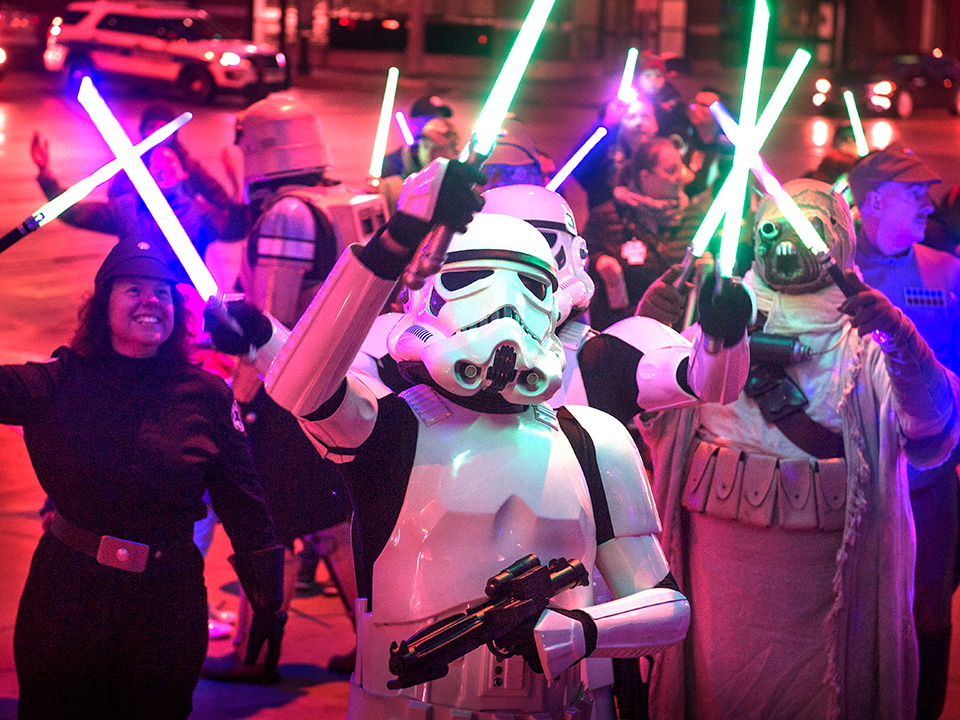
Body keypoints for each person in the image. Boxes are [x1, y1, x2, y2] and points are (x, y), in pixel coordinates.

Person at [212, 158, 696, 719]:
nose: (504, 305)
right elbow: (302, 384)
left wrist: (586, 631)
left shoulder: (594, 440)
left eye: (529, 284)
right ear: (428, 297)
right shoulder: (391, 428)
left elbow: (669, 607)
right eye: (471, 278)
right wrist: (395, 243)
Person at [636, 178, 960, 719]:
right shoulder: (723, 314)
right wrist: (651, 331)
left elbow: (932, 429)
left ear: (838, 241)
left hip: (827, 576)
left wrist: (903, 342)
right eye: (773, 229)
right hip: (718, 572)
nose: (785, 243)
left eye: (808, 230)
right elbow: (651, 417)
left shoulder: (863, 333)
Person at [4, 241, 286, 720]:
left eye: (162, 292)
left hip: (167, 603)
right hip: (68, 596)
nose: (152, 300)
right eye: (134, 289)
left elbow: (243, 499)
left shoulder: (206, 395)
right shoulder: (57, 383)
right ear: (102, 306)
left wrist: (268, 599)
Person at [200, 93, 382, 683]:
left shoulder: (288, 215)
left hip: (288, 389)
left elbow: (269, 319)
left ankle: (255, 656)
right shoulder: (349, 198)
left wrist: (244, 396)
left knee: (265, 524)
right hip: (350, 379)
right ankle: (376, 646)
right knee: (332, 524)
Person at [848, 143, 960, 720]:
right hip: (856, 484)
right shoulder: (838, 279)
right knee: (858, 612)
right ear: (872, 202)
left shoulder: (946, 270)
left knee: (929, 614)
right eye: (911, 192)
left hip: (931, 484)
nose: (926, 202)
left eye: (927, 192)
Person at [585, 135, 695, 330]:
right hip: (624, 331)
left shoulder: (692, 216)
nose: (681, 176)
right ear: (645, 177)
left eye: (681, 168)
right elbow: (581, 258)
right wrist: (599, 262)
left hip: (677, 333)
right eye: (671, 171)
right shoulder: (608, 217)